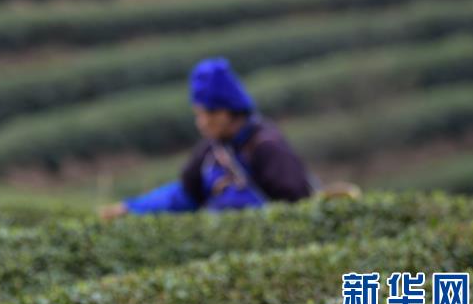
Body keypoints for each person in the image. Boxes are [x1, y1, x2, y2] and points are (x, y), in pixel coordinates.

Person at [99, 57, 317, 220]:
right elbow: (185, 194)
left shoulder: (267, 146)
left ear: (225, 113)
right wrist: (132, 208)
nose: (200, 122)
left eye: (205, 114)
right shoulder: (211, 151)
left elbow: (297, 206)